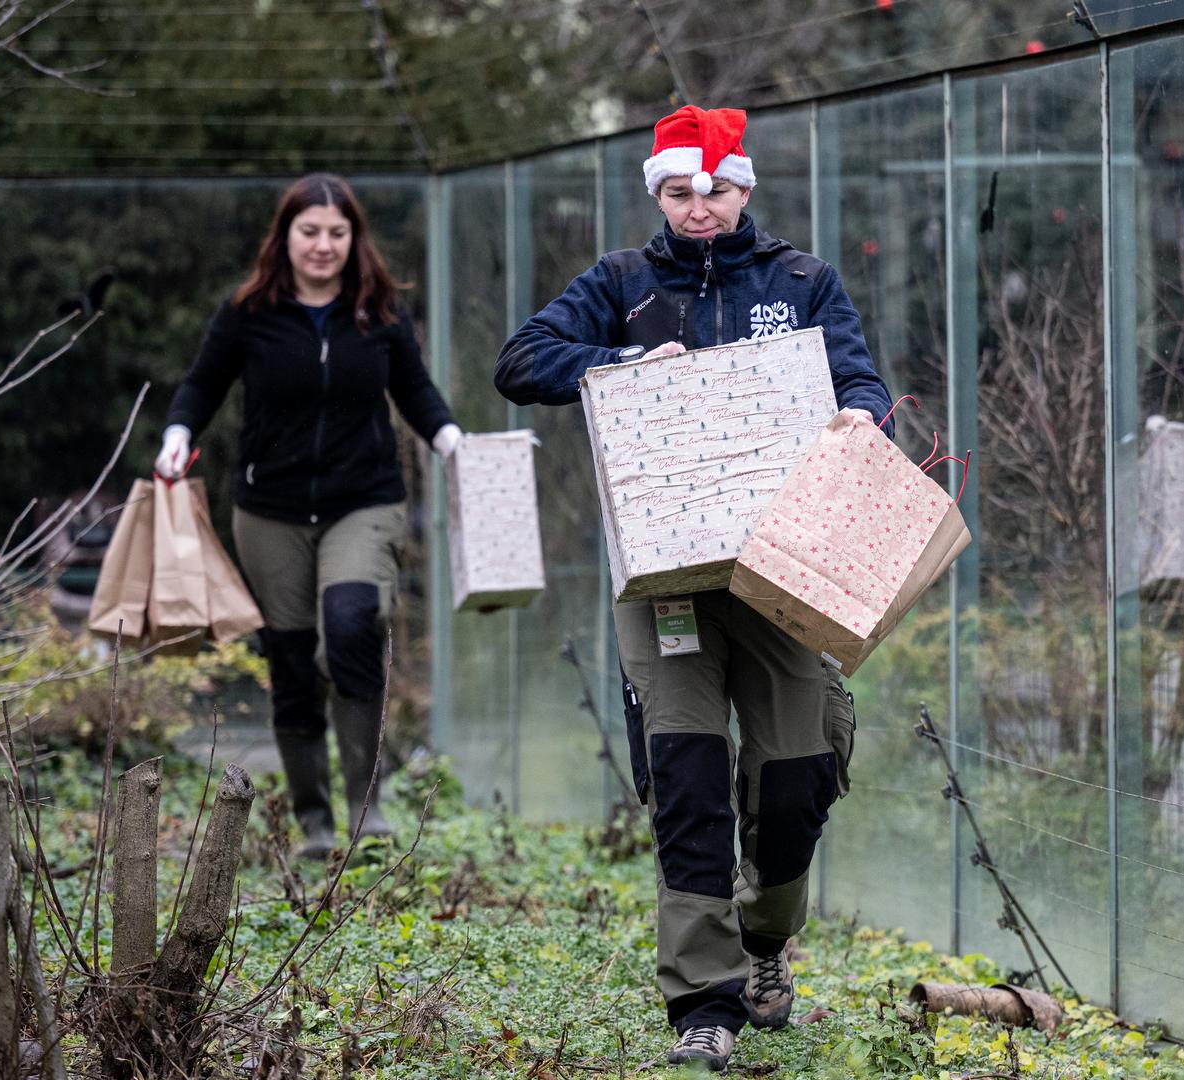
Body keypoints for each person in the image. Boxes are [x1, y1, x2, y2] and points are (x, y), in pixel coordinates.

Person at [495, 105, 891, 1071]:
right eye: (679, 191)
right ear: (658, 195)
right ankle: (702, 1003)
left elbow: (861, 382)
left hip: (780, 567)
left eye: (714, 189)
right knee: (684, 778)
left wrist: (859, 422)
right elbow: (520, 361)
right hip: (663, 573)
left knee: (795, 778)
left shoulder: (800, 280)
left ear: (743, 189)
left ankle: (763, 938)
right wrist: (622, 363)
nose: (699, 207)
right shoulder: (621, 286)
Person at [155, 173, 462, 860]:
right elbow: (202, 383)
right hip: (271, 513)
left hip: (364, 502)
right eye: (310, 232)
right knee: (293, 668)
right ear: (285, 237)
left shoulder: (377, 314)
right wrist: (178, 433)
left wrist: (449, 441)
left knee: (352, 624)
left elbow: (414, 389)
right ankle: (316, 826)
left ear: (354, 240)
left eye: (336, 233)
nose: (323, 246)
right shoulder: (249, 311)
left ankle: (367, 814)